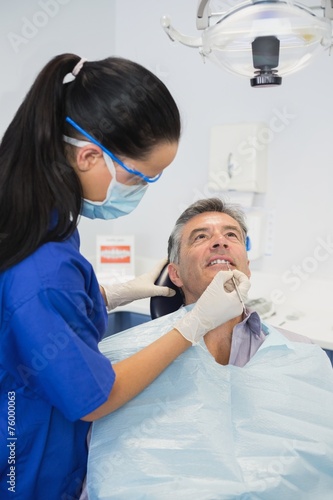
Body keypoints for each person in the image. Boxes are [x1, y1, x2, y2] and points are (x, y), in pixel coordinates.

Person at [0, 56, 249, 499]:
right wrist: (192, 325)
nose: (219, 244)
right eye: (142, 177)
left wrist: (108, 295)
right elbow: (94, 398)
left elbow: (39, 310)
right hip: (22, 458)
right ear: (90, 156)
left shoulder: (43, 221)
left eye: (232, 235)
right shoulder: (44, 266)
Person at [85, 198, 333, 499]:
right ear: (174, 274)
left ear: (248, 267)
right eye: (201, 237)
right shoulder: (123, 355)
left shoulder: (302, 355)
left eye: (232, 235)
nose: (220, 242)